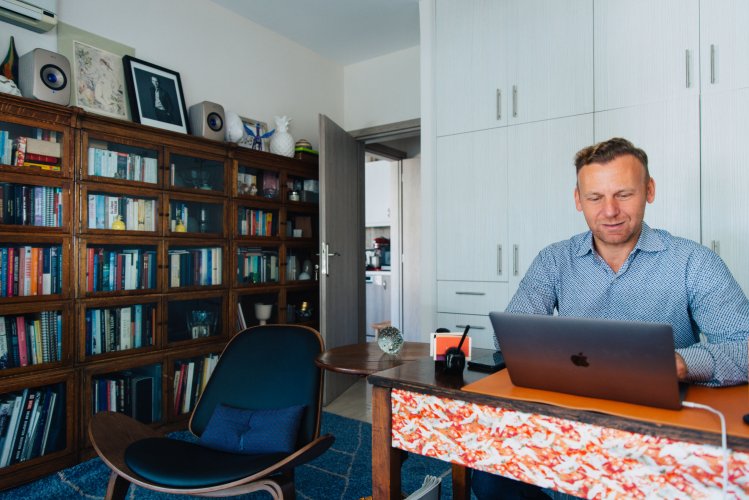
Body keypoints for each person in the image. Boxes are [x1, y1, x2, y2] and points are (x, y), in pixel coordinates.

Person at [472, 137, 749, 499]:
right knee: (488, 473)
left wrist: (681, 362)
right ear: (578, 200)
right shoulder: (554, 260)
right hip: (567, 415)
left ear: (649, 191)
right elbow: (510, 339)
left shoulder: (693, 262)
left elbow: (744, 346)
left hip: (656, 424)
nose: (610, 211)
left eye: (624, 194)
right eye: (595, 198)